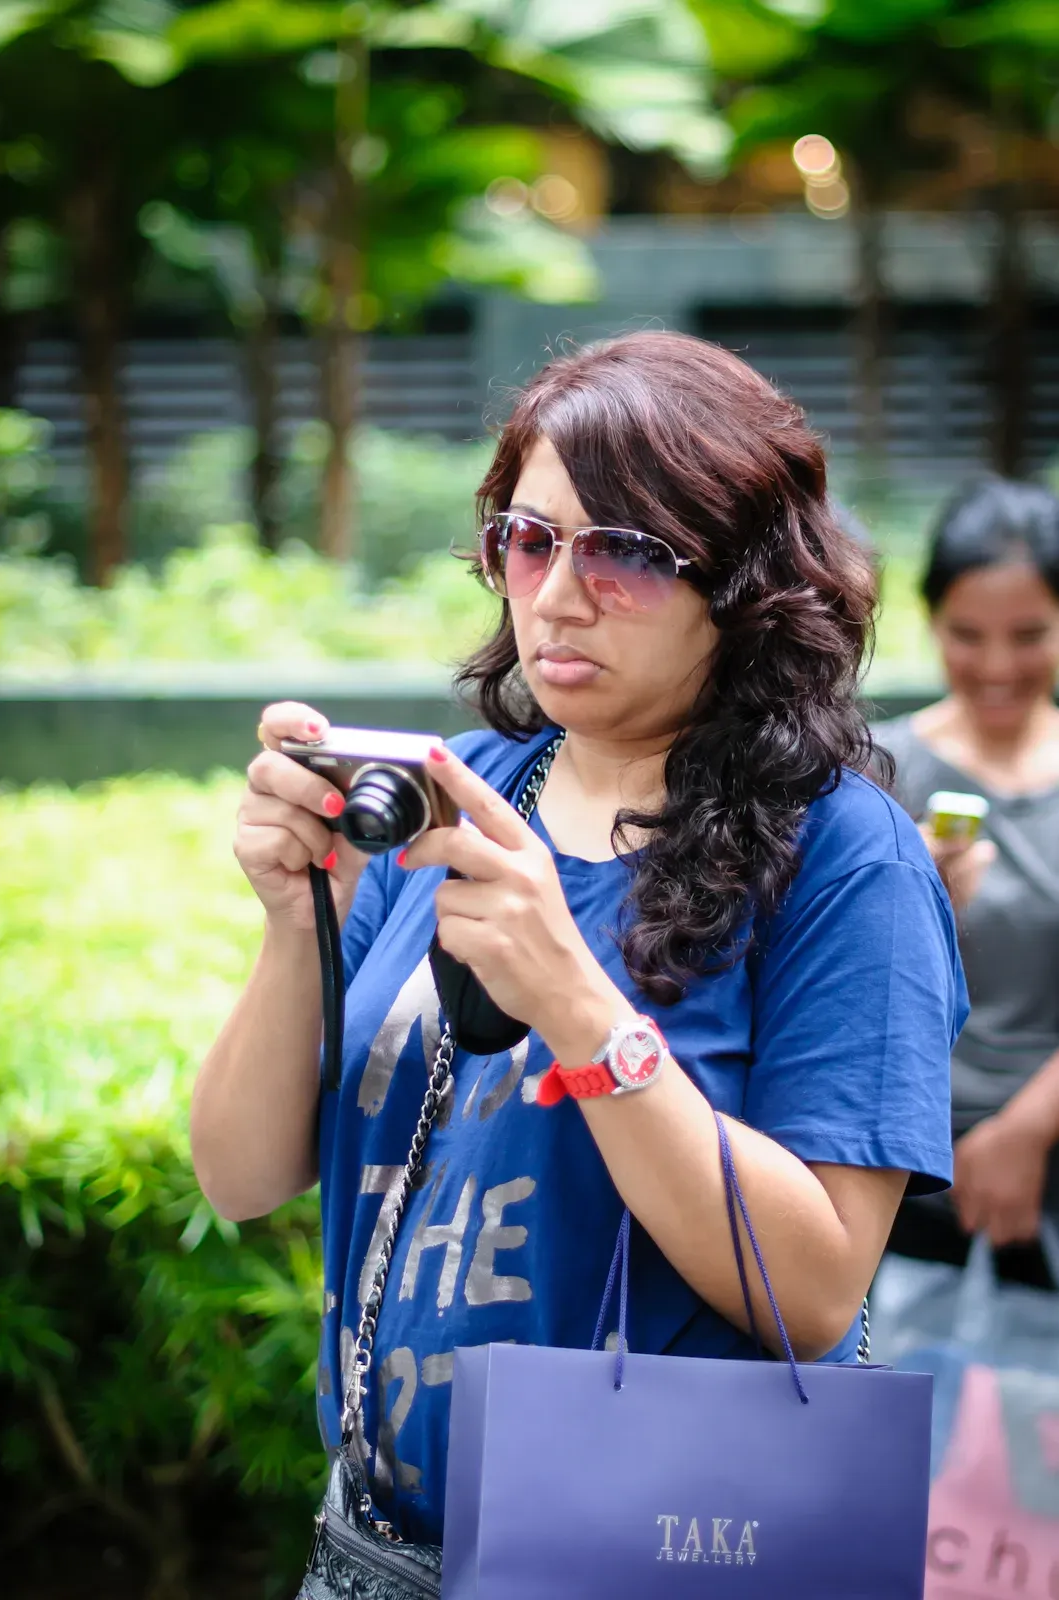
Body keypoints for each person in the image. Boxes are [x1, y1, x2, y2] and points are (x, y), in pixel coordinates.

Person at [191, 331, 964, 1550]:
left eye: (627, 552)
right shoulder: (460, 798)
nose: (556, 593)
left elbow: (814, 1293)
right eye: (529, 538)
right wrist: (301, 921)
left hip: (644, 1548)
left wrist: (578, 1003)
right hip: (376, 1541)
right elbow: (240, 1176)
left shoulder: (843, 858)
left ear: (745, 584)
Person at [877, 476, 1059, 1286]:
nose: (995, 666)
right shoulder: (877, 776)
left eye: (1028, 635)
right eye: (965, 634)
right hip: (905, 1176)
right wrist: (908, 903)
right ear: (929, 620)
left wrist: (1027, 1129)